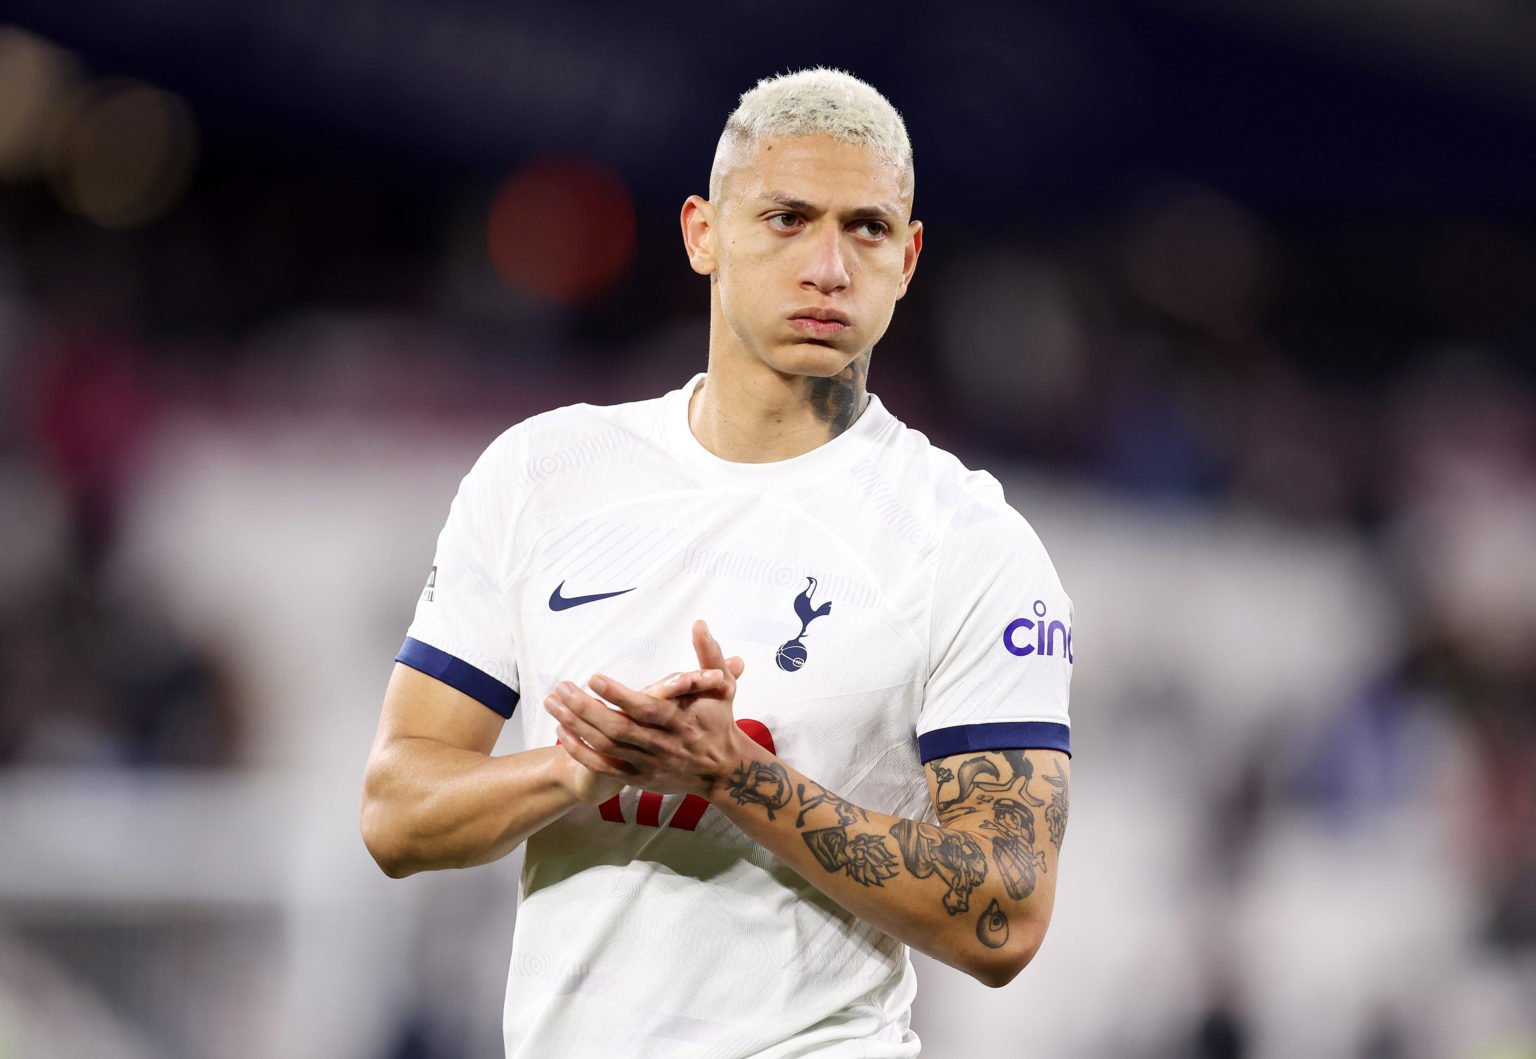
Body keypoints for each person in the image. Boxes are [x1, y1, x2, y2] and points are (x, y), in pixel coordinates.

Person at [361, 67, 1074, 1058]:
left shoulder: (969, 544)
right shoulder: (543, 476)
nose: (829, 265)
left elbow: (1006, 912)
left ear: (908, 259)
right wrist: (580, 769)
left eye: (866, 229)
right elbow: (397, 811)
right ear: (703, 233)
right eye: (787, 218)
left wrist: (737, 776)